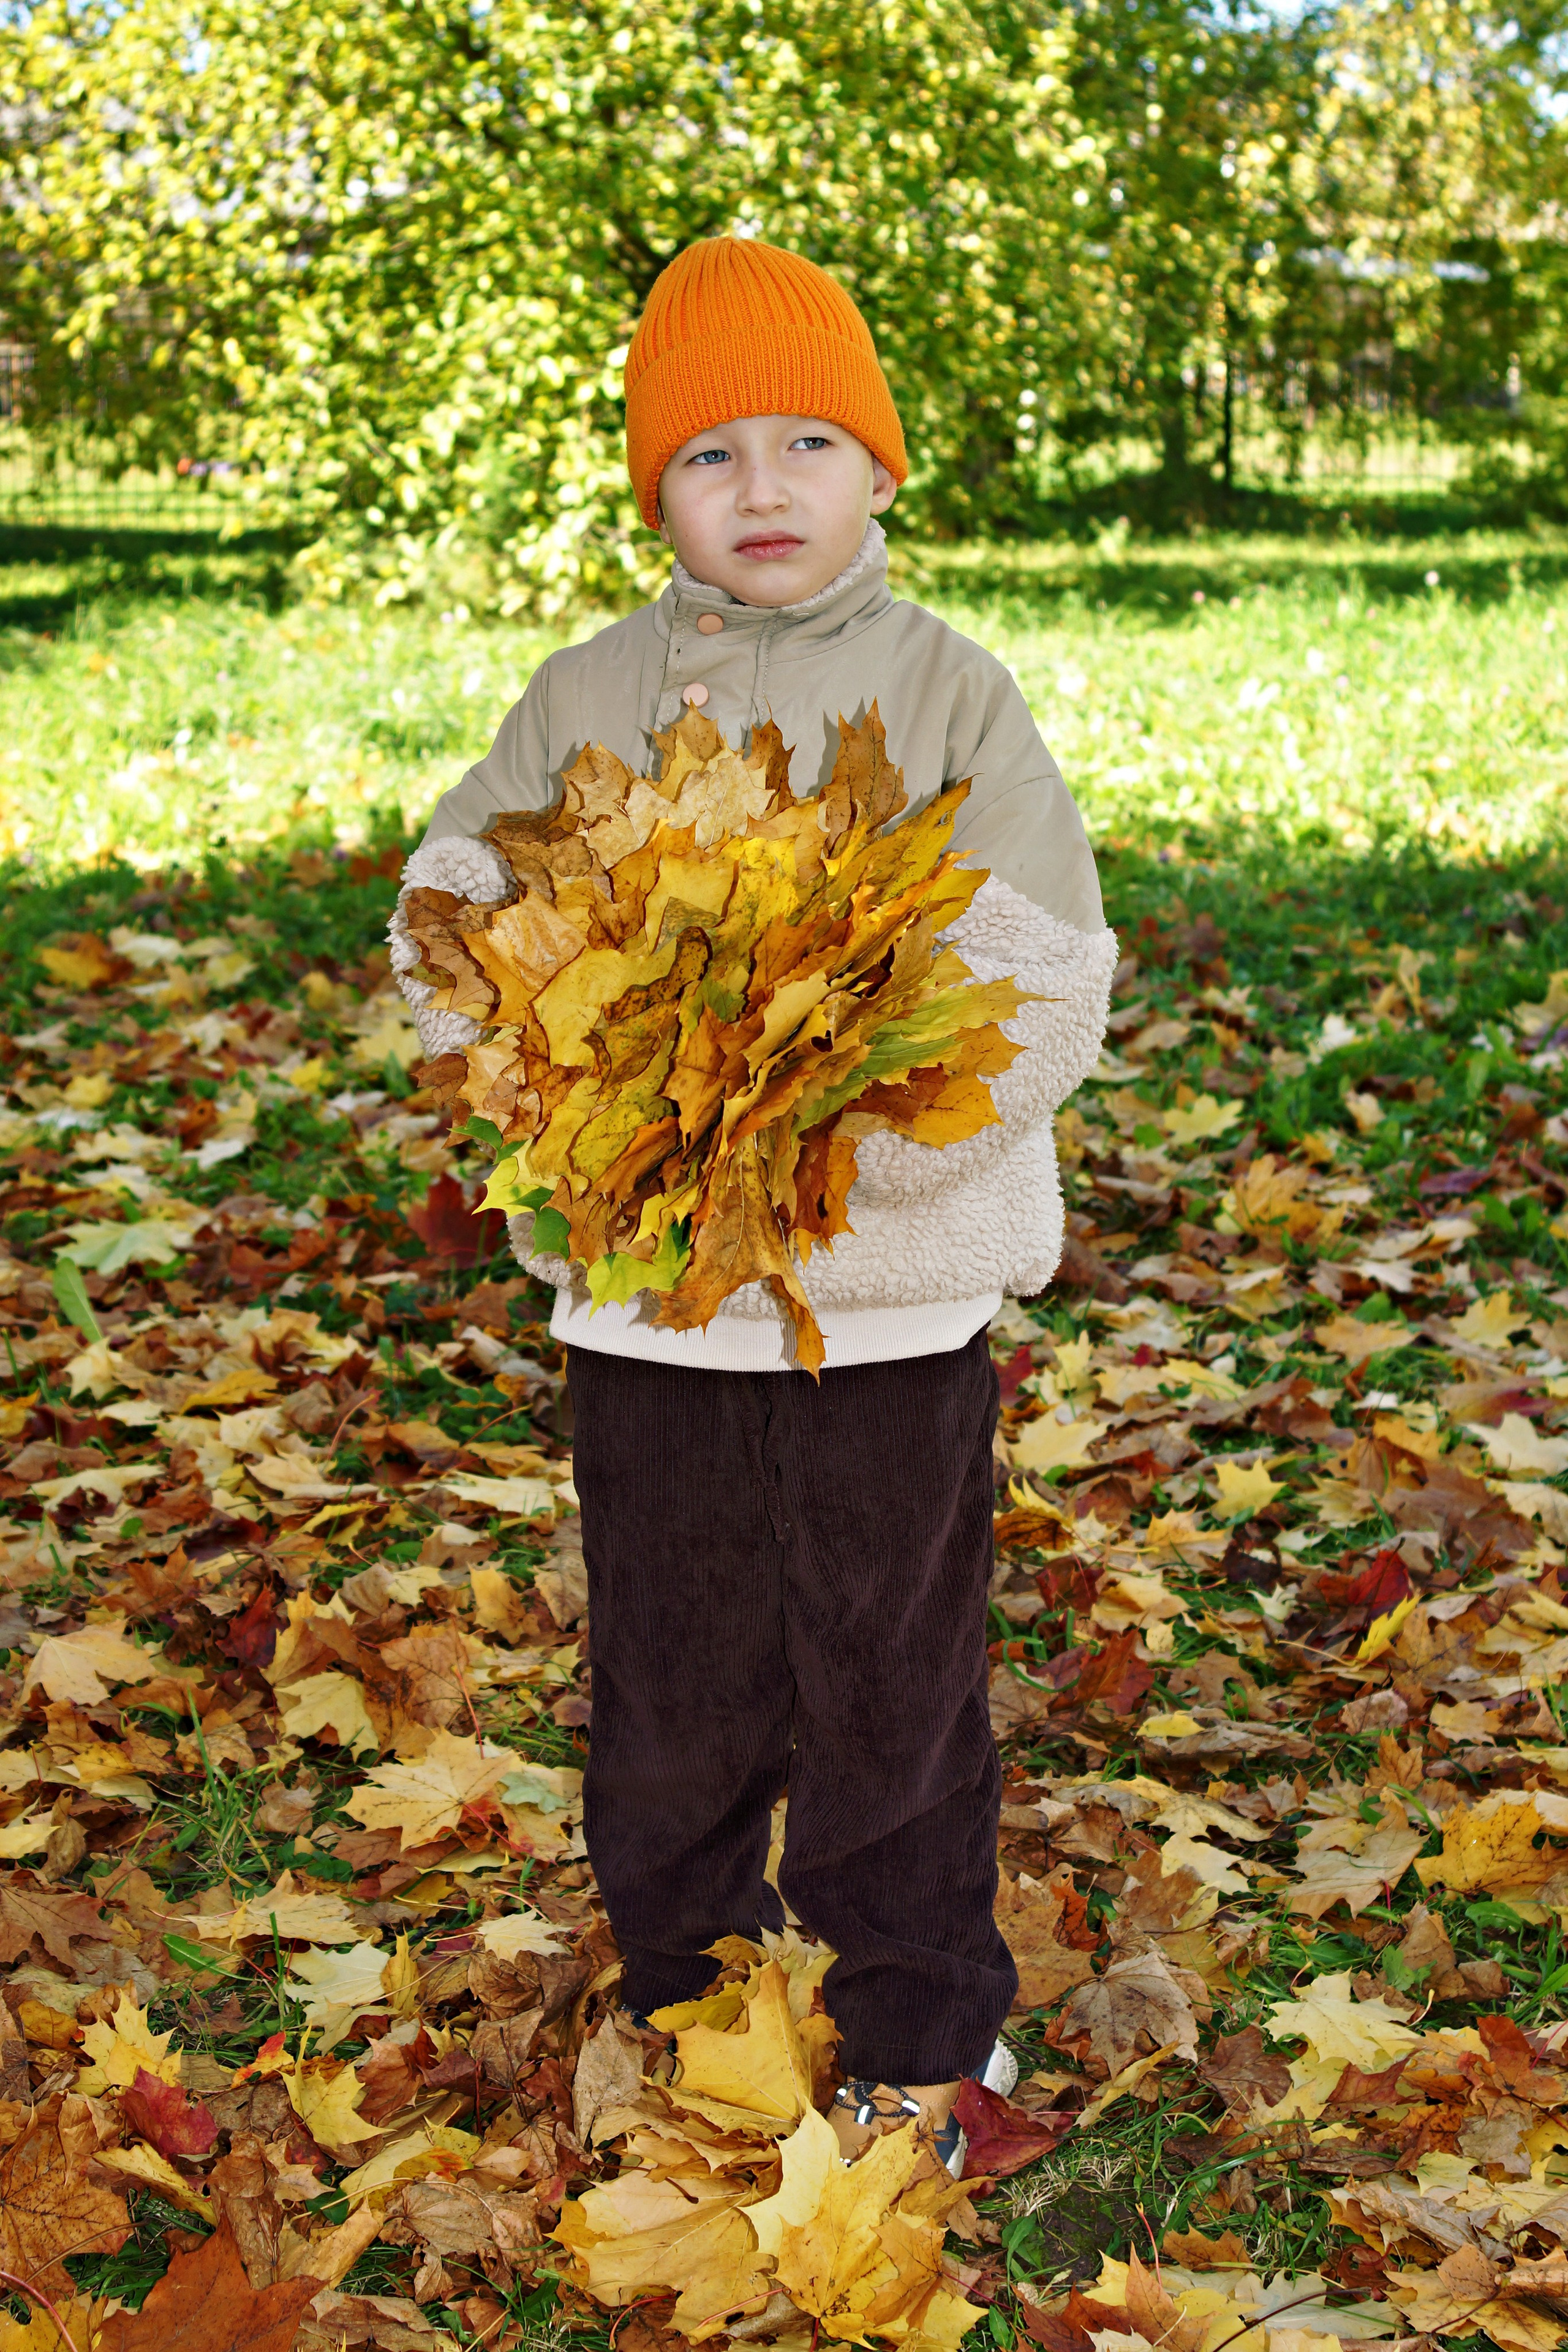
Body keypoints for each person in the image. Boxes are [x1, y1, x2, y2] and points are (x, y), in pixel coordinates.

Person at [391, 236, 1115, 2173]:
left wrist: (828, 1153)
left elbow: (1041, 979)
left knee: (891, 1683)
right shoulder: (586, 694)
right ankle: (692, 2000)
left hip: (888, 1301)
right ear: (657, 492)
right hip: (647, 1306)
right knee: (674, 1678)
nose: (765, 486)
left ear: (881, 469)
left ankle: (914, 2025)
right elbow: (452, 913)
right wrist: (578, 1088)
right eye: (710, 454)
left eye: (809, 439)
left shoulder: (957, 695)